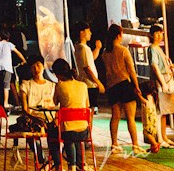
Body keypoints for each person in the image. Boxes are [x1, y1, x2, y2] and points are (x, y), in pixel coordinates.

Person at [102, 22, 146, 155]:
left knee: (115, 116)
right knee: (130, 117)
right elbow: (131, 70)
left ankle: (114, 144)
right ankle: (135, 144)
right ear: (118, 35)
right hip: (124, 84)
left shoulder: (105, 53)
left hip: (111, 86)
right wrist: (137, 86)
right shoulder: (123, 50)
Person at [51, 58, 91, 171]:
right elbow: (87, 106)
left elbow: (54, 102)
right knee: (75, 136)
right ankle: (79, 166)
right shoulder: (83, 85)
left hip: (68, 130)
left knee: (59, 133)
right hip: (84, 130)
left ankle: (68, 167)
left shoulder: (60, 86)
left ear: (58, 74)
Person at [20, 54, 60, 171]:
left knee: (55, 132)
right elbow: (25, 109)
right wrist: (36, 119)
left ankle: (54, 161)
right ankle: (42, 160)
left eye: (38, 65)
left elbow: (57, 106)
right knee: (32, 133)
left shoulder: (52, 86)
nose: (36, 69)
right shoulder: (26, 85)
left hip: (49, 118)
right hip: (32, 118)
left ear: (43, 67)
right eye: (33, 67)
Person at [147, 26, 174, 147]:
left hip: (167, 79)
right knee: (160, 111)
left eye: (160, 33)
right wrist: (162, 83)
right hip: (162, 81)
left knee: (165, 111)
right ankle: (159, 139)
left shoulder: (159, 48)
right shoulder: (152, 48)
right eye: (156, 33)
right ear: (152, 35)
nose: (159, 35)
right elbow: (155, 66)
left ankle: (164, 136)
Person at [73, 26, 104, 109]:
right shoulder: (82, 48)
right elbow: (87, 68)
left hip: (89, 83)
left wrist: (97, 48)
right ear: (81, 32)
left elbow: (90, 60)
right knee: (89, 110)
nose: (90, 33)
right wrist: (98, 82)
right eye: (88, 31)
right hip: (88, 84)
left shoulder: (82, 47)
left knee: (90, 109)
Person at [0, 28, 26, 110]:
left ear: (0, 38)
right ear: (8, 38)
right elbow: (18, 52)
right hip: (7, 66)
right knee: (6, 85)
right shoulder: (9, 44)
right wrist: (24, 60)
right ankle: (5, 103)